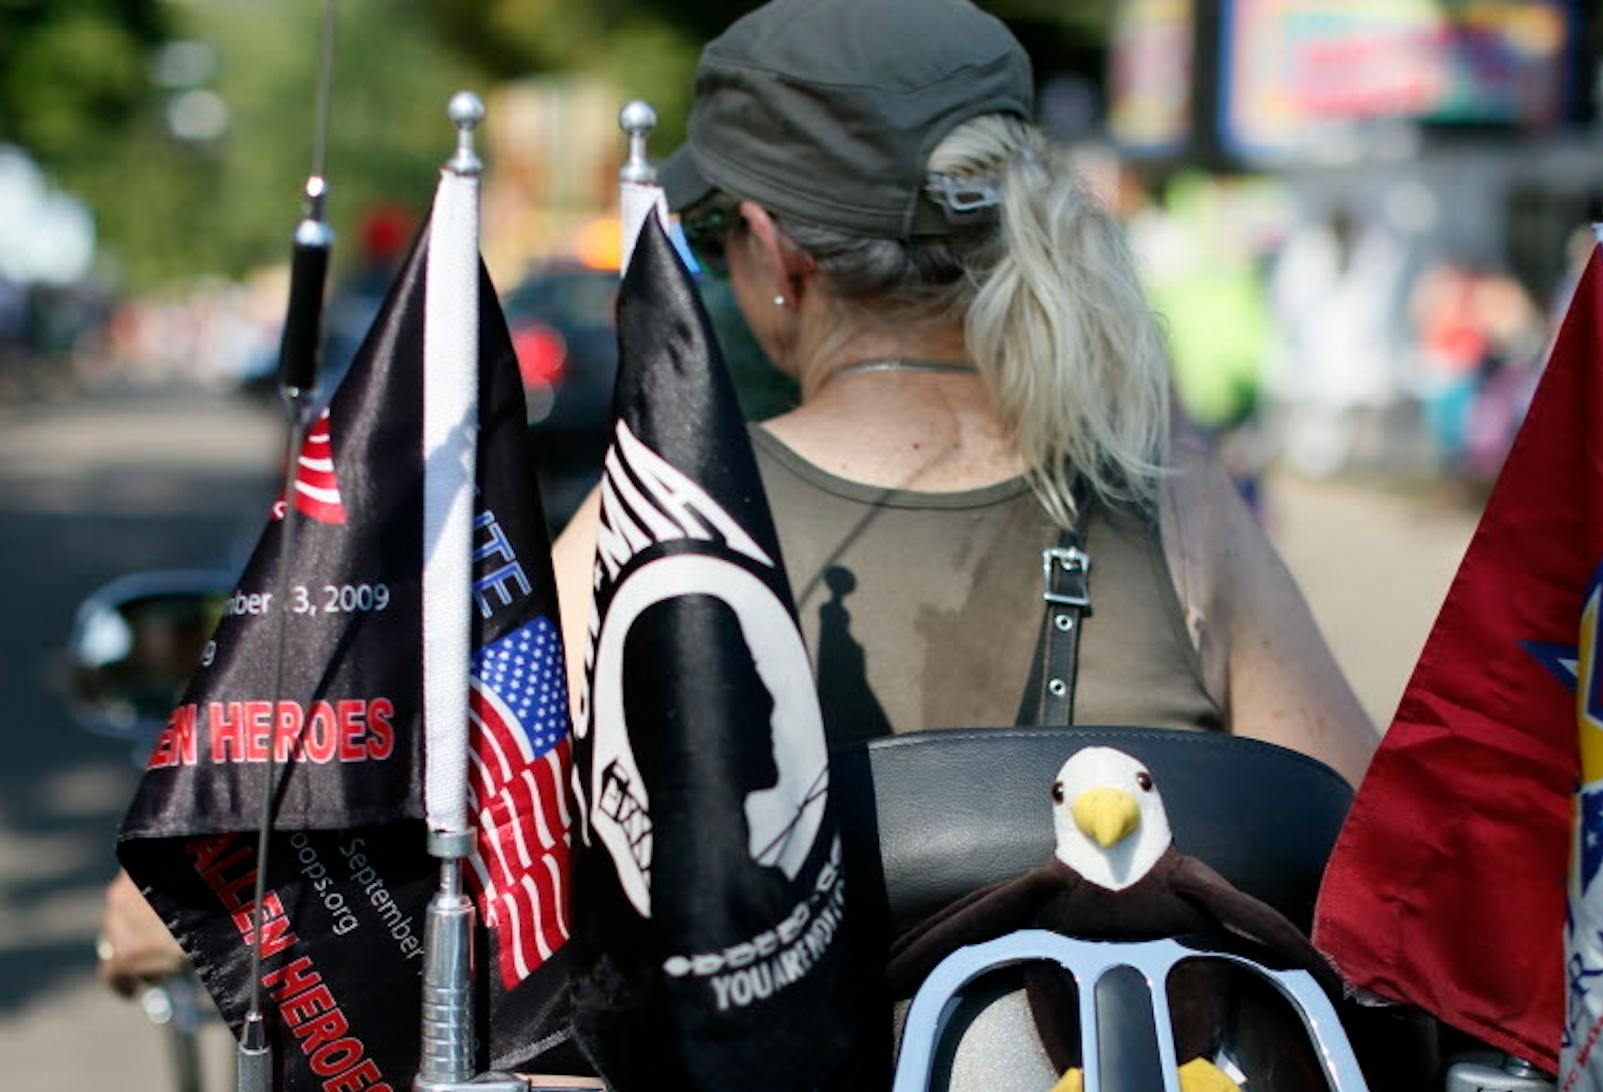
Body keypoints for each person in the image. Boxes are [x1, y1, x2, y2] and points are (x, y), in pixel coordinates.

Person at [550, 0, 1376, 781]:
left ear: (775, 251)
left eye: (713, 236)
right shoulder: (1177, 507)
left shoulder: (652, 515)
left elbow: (514, 815)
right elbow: (1359, 838)